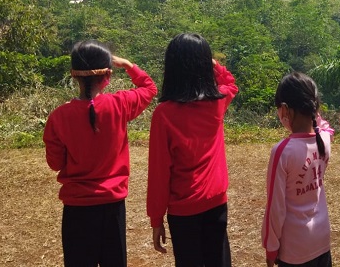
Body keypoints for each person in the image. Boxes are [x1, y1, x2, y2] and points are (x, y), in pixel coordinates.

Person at [43, 40, 157, 267]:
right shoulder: (121, 104)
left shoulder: (59, 117)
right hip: (112, 206)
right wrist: (128, 65)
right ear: (107, 75)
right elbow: (149, 89)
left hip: (76, 210)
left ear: (73, 76)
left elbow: (55, 163)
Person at [146, 32, 238, 267]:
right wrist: (214, 64)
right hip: (217, 202)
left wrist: (156, 218)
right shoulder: (217, 102)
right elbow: (230, 83)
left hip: (183, 210)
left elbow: (159, 172)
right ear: (203, 66)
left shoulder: (164, 114)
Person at [262, 72, 334, 267]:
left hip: (295, 249)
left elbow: (275, 208)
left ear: (285, 110)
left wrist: (271, 247)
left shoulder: (282, 151)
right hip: (321, 239)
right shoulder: (324, 140)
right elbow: (326, 127)